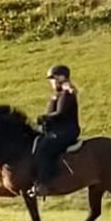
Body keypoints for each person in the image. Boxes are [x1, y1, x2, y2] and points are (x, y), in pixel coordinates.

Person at [30, 64, 81, 197]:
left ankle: (45, 183)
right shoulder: (58, 95)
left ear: (61, 78)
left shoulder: (66, 94)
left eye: (53, 79)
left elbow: (61, 113)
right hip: (57, 131)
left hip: (67, 131)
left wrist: (44, 118)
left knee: (45, 148)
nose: (51, 82)